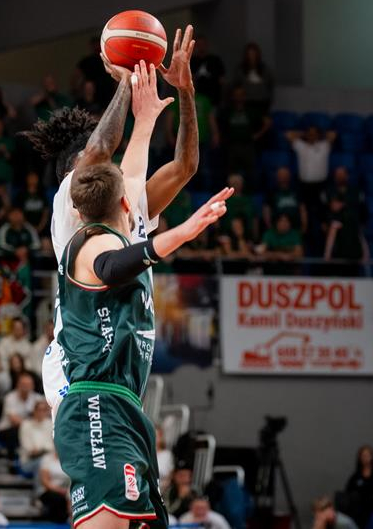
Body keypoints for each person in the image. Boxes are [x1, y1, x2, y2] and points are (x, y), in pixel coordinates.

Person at [55, 140, 230, 527]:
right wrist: (182, 233)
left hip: (124, 406)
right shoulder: (91, 241)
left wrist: (146, 116)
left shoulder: (120, 232)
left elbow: (133, 173)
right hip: (95, 403)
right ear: (124, 204)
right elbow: (111, 266)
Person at [27, 27, 200, 417]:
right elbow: (100, 149)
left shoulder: (128, 203)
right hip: (78, 366)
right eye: (96, 163)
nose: (108, 164)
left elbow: (185, 167)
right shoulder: (69, 199)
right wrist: (125, 79)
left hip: (119, 369)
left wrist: (186, 92)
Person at [344, 445, 373, 528]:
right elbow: (348, 494)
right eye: (363, 456)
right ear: (360, 458)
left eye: (368, 455)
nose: (365, 458)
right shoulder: (355, 477)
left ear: (372, 457)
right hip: (360, 513)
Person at [0, 372, 39, 458]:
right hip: (7, 428)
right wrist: (32, 424)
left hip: (30, 429)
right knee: (16, 432)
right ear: (18, 385)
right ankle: (12, 459)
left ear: (33, 386)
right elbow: (14, 420)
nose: (26, 387)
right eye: (23, 384)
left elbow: (43, 417)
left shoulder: (37, 398)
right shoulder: (10, 398)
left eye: (28, 384)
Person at [37, 449, 70, 524]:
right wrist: (59, 490)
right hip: (50, 491)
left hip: (67, 490)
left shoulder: (70, 458)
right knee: (57, 499)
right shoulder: (47, 459)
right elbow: (45, 481)